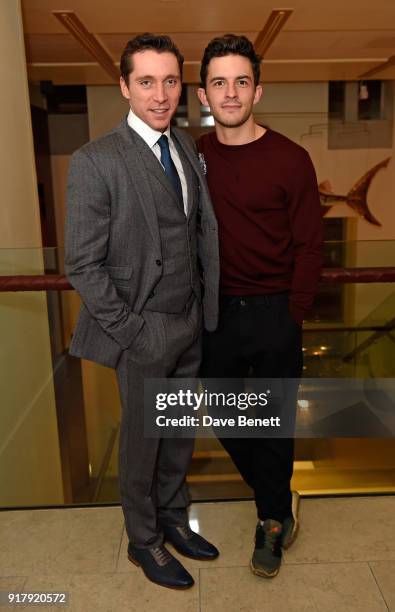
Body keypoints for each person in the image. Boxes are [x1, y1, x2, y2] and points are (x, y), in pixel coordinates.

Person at [65, 33, 220, 590]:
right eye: (147, 81)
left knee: (179, 432)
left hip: (189, 321)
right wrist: (133, 331)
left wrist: (202, 307)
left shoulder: (182, 147)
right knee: (142, 441)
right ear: (124, 86)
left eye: (170, 81)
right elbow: (81, 264)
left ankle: (175, 520)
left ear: (182, 86)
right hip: (142, 331)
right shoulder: (95, 161)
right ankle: (144, 539)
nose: (160, 95)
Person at [197, 34, 323, 578]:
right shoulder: (189, 155)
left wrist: (293, 312)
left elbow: (310, 243)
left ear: (258, 90)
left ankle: (271, 521)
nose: (230, 92)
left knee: (273, 425)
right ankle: (278, 494)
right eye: (219, 83)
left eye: (241, 81)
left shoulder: (291, 158)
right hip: (215, 314)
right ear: (203, 96)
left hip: (275, 313)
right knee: (219, 411)